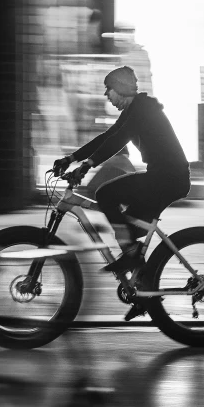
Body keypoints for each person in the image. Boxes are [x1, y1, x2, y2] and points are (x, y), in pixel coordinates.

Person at [53, 65, 190, 274]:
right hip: (164, 177)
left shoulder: (142, 109)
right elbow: (106, 138)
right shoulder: (133, 111)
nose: (106, 94)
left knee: (106, 194)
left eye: (109, 89)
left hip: (168, 178)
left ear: (120, 88)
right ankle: (143, 286)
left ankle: (131, 255)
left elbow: (117, 140)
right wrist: (72, 158)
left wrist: (88, 165)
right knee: (126, 227)